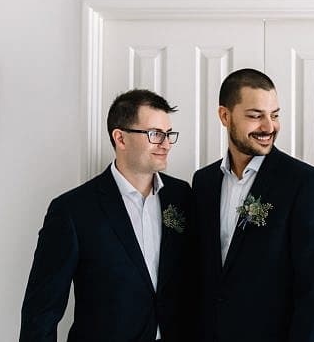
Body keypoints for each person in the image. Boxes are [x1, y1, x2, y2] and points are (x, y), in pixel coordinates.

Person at [20, 89, 193, 342]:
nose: (166, 144)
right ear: (120, 138)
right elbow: (41, 311)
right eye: (155, 134)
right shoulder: (72, 210)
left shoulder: (181, 196)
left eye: (168, 135)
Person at [191, 68, 314, 342]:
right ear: (225, 116)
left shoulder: (305, 183)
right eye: (255, 115)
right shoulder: (204, 182)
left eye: (275, 115)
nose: (269, 127)